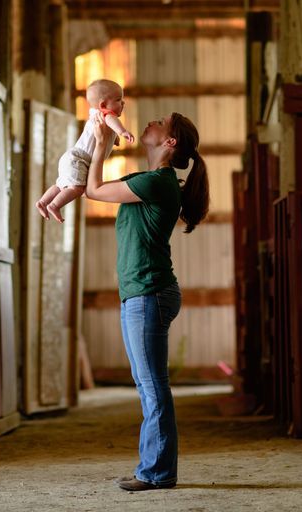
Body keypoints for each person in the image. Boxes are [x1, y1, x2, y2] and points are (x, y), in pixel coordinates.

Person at [85, 112, 210, 491]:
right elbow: (96, 187)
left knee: (153, 386)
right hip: (142, 293)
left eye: (159, 122)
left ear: (169, 142)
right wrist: (102, 142)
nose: (150, 123)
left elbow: (93, 189)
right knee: (148, 385)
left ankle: (157, 472)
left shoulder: (157, 182)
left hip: (149, 293)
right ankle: (155, 468)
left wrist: (100, 143)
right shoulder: (148, 180)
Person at [35, 78, 135, 223]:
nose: (123, 103)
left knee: (61, 185)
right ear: (103, 105)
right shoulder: (105, 115)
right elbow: (112, 121)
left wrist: (115, 138)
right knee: (77, 189)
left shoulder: (97, 117)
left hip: (72, 157)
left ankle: (43, 202)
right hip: (79, 159)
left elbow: (107, 131)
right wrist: (122, 131)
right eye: (119, 100)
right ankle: (54, 205)